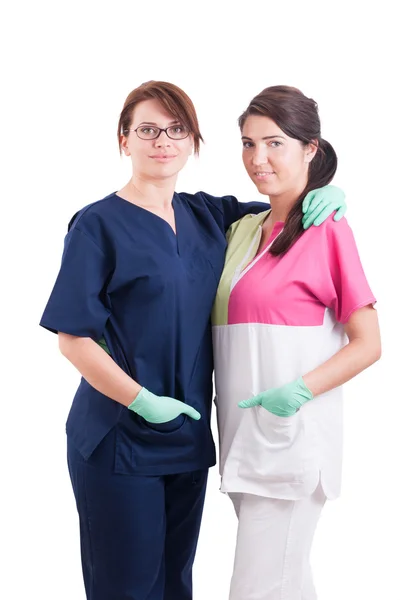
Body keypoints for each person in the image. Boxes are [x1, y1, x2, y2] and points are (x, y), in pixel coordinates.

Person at [39, 81, 347, 600]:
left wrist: (327, 187)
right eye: (148, 129)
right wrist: (140, 400)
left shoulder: (209, 216)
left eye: (177, 129)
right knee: (128, 589)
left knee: (176, 585)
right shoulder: (97, 224)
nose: (163, 140)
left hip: (185, 439)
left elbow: (285, 205)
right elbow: (74, 339)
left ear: (193, 141)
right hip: (118, 437)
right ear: (124, 139)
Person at [212, 85, 381, 600]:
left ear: (311, 149)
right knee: (286, 584)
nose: (257, 158)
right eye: (247, 143)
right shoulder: (244, 229)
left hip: (292, 443)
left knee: (256, 589)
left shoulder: (327, 229)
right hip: (244, 442)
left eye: (274, 143)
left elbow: (368, 341)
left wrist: (300, 391)